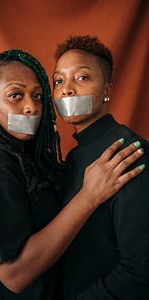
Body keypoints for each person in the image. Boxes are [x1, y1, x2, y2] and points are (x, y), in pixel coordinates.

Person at [0, 50, 144, 300]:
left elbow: (139, 269)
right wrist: (88, 196)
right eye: (15, 95)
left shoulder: (112, 154)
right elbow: (15, 276)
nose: (31, 107)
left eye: (38, 96)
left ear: (107, 89)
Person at [52, 35, 149, 300]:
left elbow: (141, 272)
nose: (67, 90)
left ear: (107, 90)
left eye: (82, 78)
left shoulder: (129, 153)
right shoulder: (72, 158)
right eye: (59, 81)